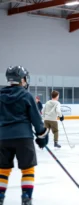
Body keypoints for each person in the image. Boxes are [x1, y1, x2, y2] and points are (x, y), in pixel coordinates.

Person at [0, 66, 49, 205]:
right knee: (27, 168)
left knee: (3, 169)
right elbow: (36, 120)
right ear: (22, 79)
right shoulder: (26, 95)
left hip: (3, 138)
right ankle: (26, 199)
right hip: (23, 138)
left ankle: (0, 197)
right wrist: (42, 136)